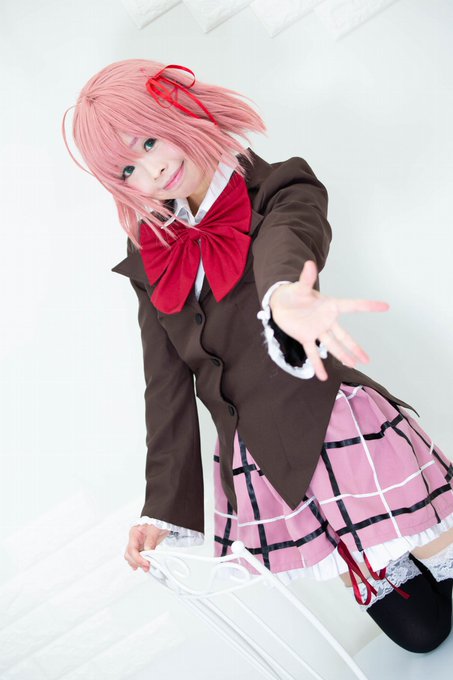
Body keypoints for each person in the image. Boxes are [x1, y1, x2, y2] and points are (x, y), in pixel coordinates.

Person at [63, 59, 453, 653]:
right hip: (261, 462)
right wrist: (159, 509)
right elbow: (164, 383)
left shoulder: (275, 185)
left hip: (329, 420)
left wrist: (286, 297)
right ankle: (379, 562)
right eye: (128, 168)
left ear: (179, 110)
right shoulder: (149, 251)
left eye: (149, 140)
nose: (153, 168)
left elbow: (288, 240)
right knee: (422, 635)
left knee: (437, 550)